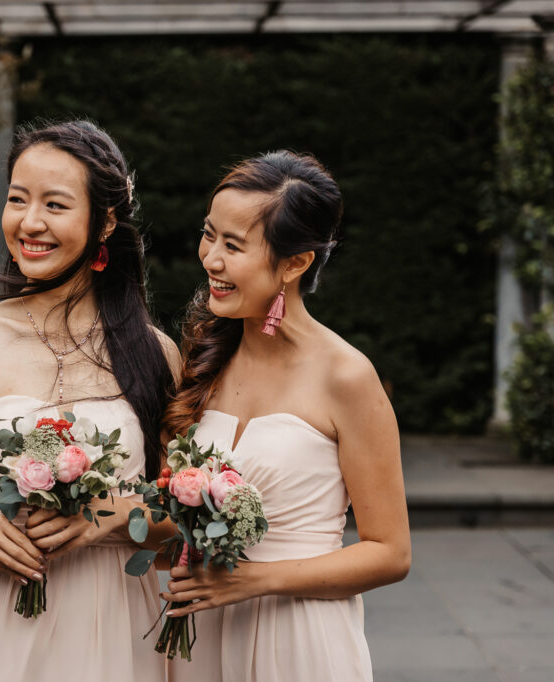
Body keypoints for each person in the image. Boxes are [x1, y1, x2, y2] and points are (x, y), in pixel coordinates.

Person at [0, 120, 179, 682]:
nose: (30, 222)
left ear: (106, 221)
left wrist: (109, 516)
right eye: (17, 199)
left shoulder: (155, 353)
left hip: (115, 621)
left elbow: (179, 512)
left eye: (56, 205)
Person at [161, 150, 411, 681]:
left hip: (298, 637)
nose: (211, 259)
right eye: (210, 235)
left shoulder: (346, 377)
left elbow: (390, 553)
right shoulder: (205, 358)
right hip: (201, 636)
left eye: (234, 245)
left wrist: (253, 580)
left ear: (295, 263)